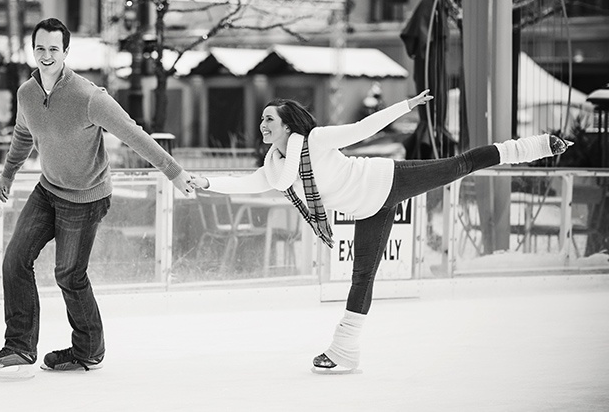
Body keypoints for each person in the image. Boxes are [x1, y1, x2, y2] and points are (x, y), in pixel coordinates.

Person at [187, 90, 570, 373]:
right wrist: (204, 181)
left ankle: (533, 146)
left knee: (458, 165)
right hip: (365, 208)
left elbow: (361, 127)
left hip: (386, 180)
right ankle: (345, 351)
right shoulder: (274, 165)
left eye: (269, 119)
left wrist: (406, 105)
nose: (262, 125)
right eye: (263, 120)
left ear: (287, 124)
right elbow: (246, 183)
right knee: (362, 276)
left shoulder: (316, 141)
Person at [0, 18, 193, 377]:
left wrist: (173, 171)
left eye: (53, 49)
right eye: (40, 48)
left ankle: (87, 351)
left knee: (69, 273)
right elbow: (22, 134)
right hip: (48, 189)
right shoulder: (27, 93)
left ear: (65, 52)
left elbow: (133, 134)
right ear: (34, 50)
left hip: (86, 197)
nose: (46, 55)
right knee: (14, 260)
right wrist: (8, 173)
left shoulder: (89, 97)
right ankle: (18, 347)